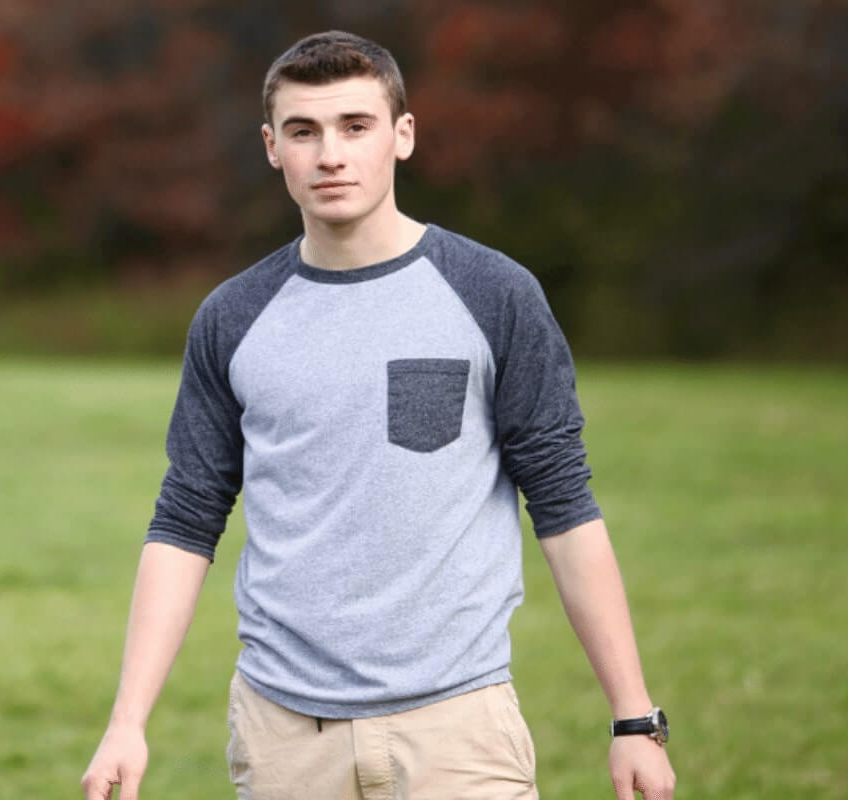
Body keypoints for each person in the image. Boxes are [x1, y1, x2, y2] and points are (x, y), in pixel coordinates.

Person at [80, 30, 676, 800]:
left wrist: (634, 719)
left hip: (459, 733)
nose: (330, 154)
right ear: (272, 148)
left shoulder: (495, 295)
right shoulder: (232, 318)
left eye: (355, 126)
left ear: (402, 136)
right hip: (283, 738)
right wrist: (128, 720)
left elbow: (564, 507)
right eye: (304, 131)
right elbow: (186, 520)